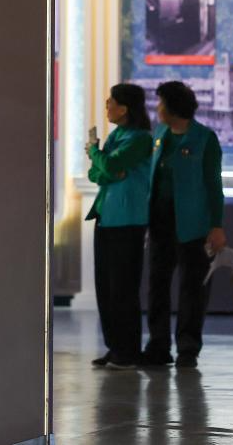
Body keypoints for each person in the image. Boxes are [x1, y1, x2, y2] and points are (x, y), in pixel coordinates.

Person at [142, 80, 226, 369]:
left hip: (194, 225)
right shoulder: (160, 134)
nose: (158, 108)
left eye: (161, 103)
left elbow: (214, 185)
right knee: (157, 285)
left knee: (193, 288)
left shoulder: (204, 138)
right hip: (160, 221)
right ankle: (158, 345)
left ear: (174, 107)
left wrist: (216, 225)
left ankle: (188, 348)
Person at [85, 83, 154, 370]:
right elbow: (97, 174)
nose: (107, 106)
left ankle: (127, 350)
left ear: (124, 108)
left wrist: (94, 152)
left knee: (123, 287)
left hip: (128, 220)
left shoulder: (140, 139)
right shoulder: (117, 136)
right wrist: (106, 165)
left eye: (111, 102)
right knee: (105, 287)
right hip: (106, 217)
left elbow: (109, 166)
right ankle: (114, 346)